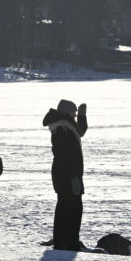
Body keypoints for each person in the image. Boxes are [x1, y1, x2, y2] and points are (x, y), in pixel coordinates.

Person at [43, 99, 88, 251]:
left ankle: (66, 241)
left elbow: (80, 131)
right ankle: (67, 243)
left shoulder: (67, 126)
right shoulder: (62, 128)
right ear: (67, 112)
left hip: (67, 175)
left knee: (69, 207)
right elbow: (65, 156)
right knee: (70, 208)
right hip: (67, 176)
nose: (75, 115)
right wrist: (73, 177)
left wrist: (82, 116)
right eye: (74, 112)